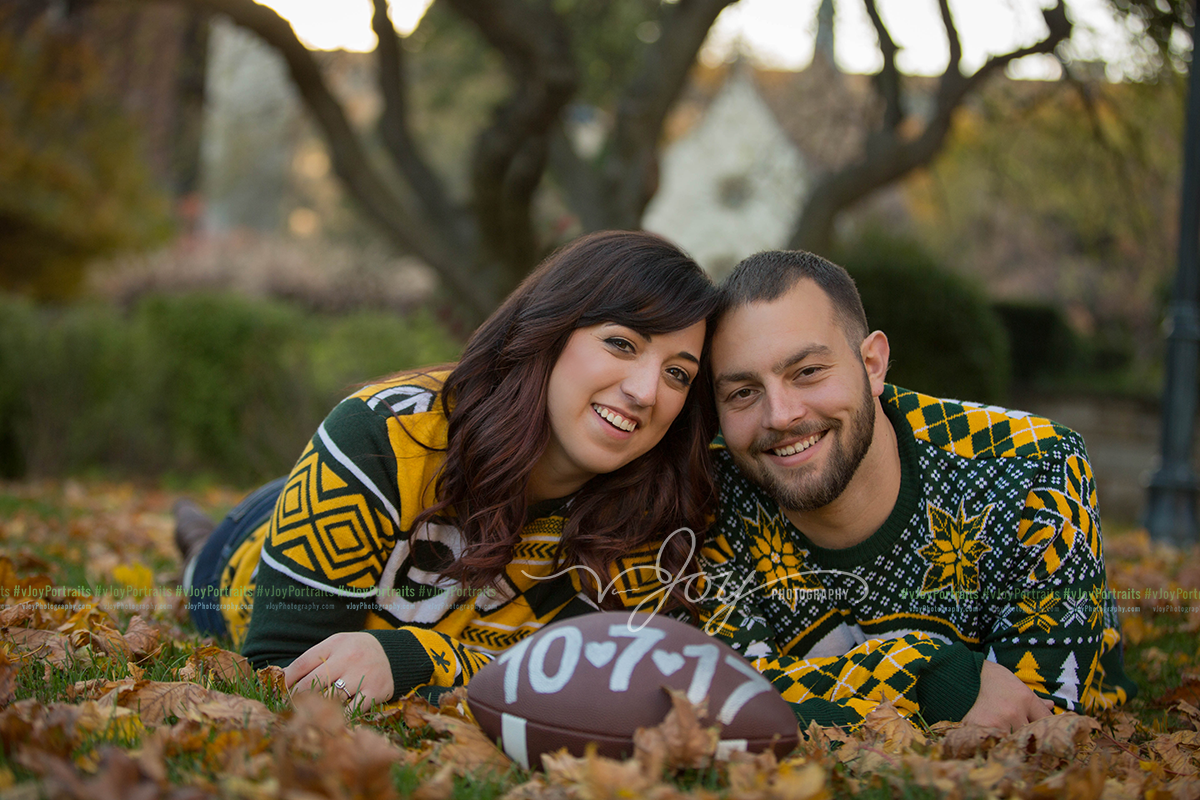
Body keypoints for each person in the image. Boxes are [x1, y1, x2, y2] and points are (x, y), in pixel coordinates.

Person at [173, 230, 720, 708]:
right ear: (551, 330)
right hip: (247, 554)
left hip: (387, 554)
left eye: (677, 374)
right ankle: (197, 536)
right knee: (203, 564)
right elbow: (286, 667)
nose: (646, 392)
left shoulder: (653, 516)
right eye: (621, 343)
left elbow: (600, 693)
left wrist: (418, 659)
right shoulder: (380, 435)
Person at [693, 249, 1136, 731]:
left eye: (808, 372)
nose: (780, 415)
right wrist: (933, 675)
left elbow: (1035, 717)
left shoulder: (1033, 466)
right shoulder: (709, 494)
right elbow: (722, 703)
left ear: (873, 363)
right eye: (743, 393)